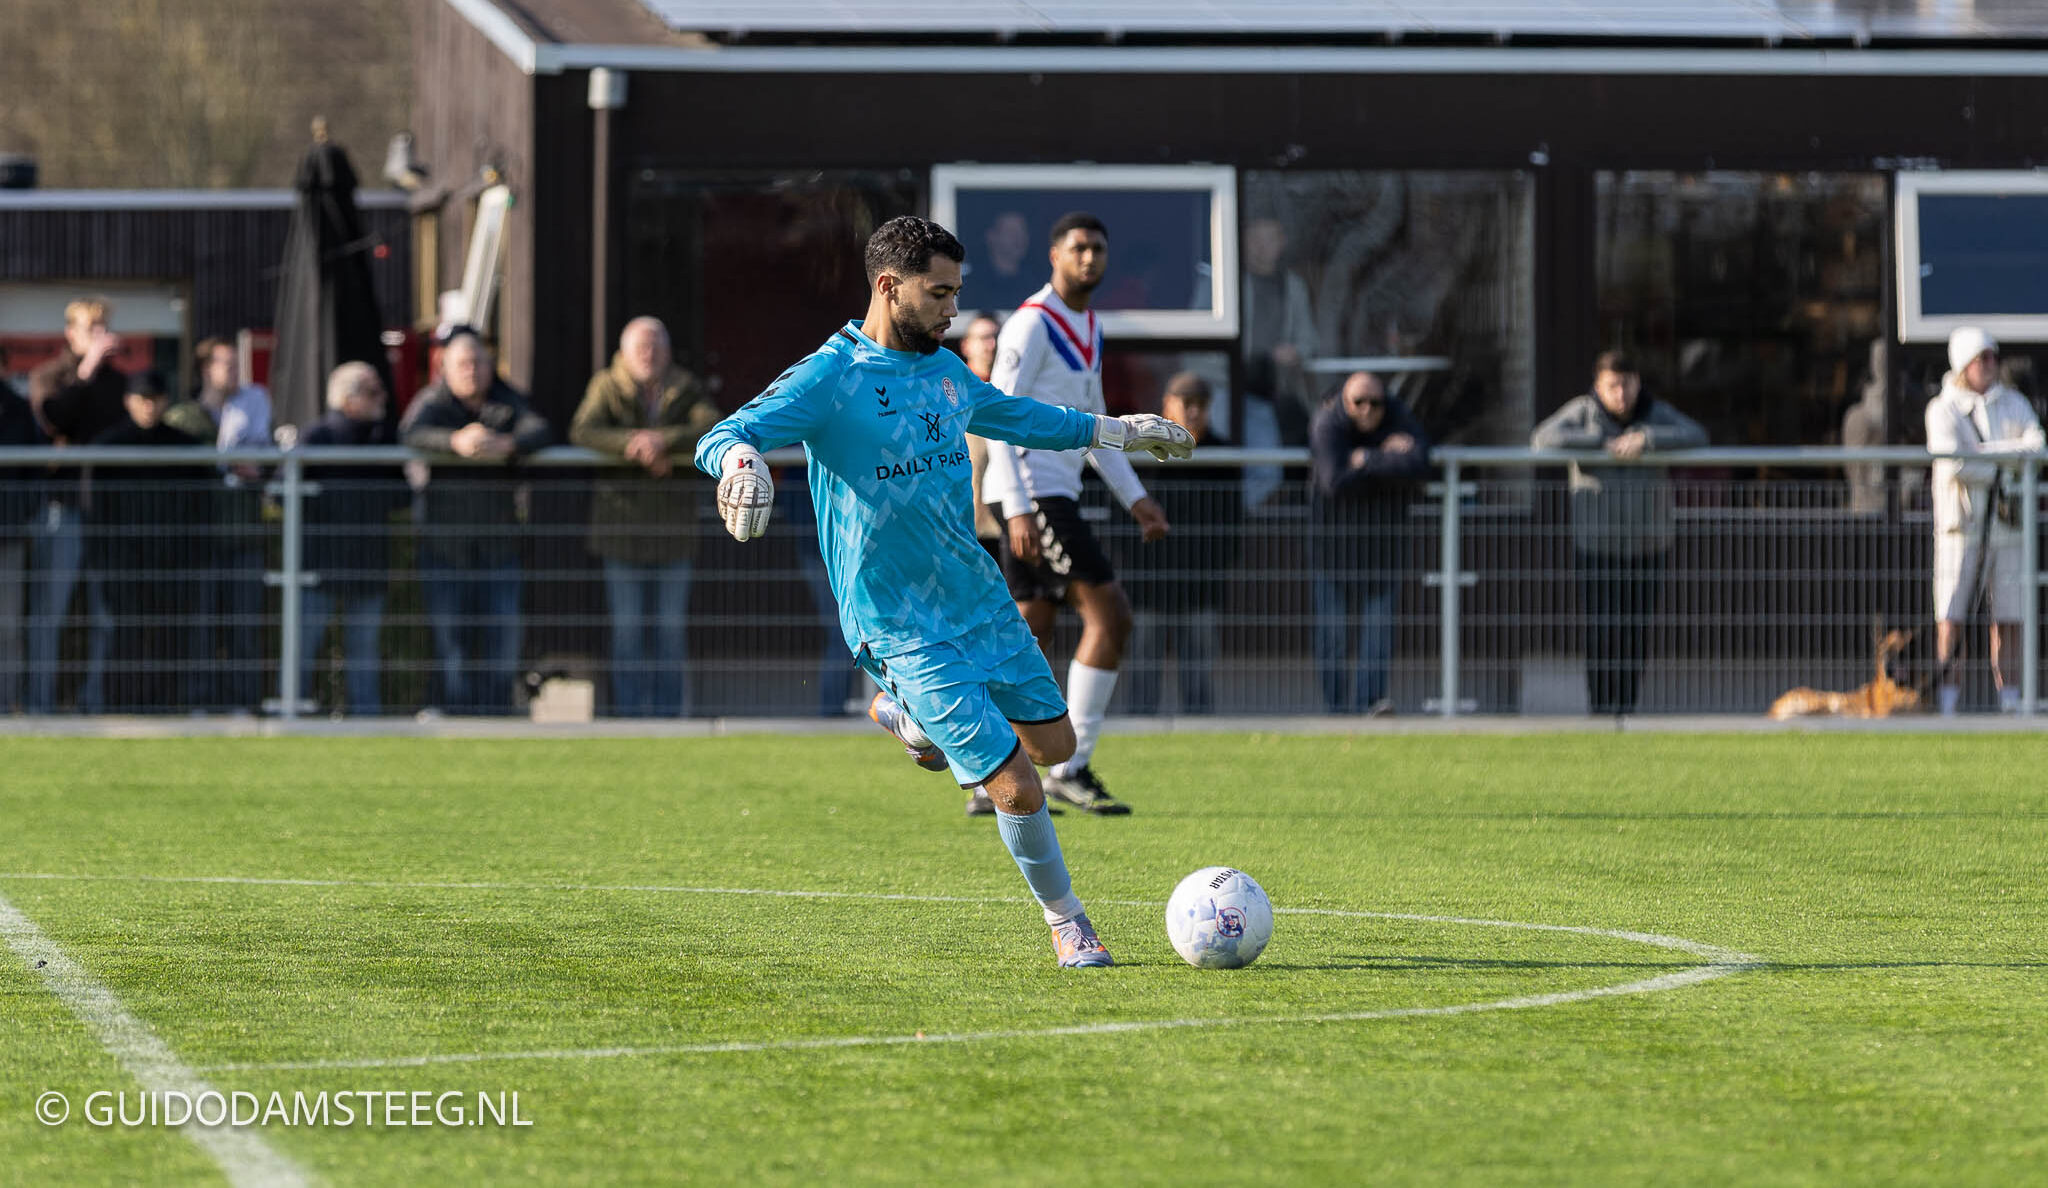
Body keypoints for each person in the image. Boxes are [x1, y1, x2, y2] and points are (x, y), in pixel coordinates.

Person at [693, 215, 1193, 967]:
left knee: (1056, 747)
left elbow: (1021, 416)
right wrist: (737, 464)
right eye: (940, 293)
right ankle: (1069, 925)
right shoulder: (832, 375)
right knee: (1019, 786)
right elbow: (724, 432)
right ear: (889, 288)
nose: (953, 309)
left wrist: (1113, 431)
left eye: (956, 293)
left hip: (977, 597)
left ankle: (910, 721)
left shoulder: (946, 370)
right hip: (896, 623)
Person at [982, 212, 1169, 817]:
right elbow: (997, 415)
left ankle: (986, 777)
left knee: (1025, 635)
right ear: (1054, 255)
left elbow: (1094, 428)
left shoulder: (1087, 325)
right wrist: (1016, 508)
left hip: (1054, 495)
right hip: (1036, 495)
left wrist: (1134, 496)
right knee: (1110, 614)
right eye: (1079, 248)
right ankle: (1071, 765)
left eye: (1098, 249)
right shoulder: (1031, 324)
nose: (1090, 258)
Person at [1531, 350, 1707, 717]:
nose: (1621, 394)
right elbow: (1543, 438)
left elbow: (1696, 434)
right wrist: (1599, 444)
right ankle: (1601, 710)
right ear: (1598, 386)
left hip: (1647, 544)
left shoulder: (1654, 413)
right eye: (1612, 386)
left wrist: (1646, 439)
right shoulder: (1583, 412)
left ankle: (1626, 710)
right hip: (1596, 544)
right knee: (1600, 631)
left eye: (1627, 384)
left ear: (1637, 382)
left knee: (1635, 631)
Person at [570, 316, 721, 717]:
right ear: (624, 354)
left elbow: (712, 426)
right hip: (620, 532)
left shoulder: (686, 387)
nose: (648, 355)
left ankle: (671, 715)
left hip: (675, 531)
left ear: (667, 352)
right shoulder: (606, 385)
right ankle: (630, 715)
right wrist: (632, 445)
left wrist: (664, 443)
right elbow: (583, 431)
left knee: (670, 631)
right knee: (628, 631)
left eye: (655, 347)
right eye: (641, 348)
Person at [400, 332, 553, 714]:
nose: (472, 370)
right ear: (444, 369)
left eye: (479, 362)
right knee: (450, 638)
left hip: (498, 545)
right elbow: (411, 433)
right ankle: (453, 713)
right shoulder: (432, 402)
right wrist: (456, 442)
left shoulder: (506, 398)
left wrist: (506, 445)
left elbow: (540, 430)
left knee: (502, 637)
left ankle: (497, 714)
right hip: (444, 546)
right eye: (463, 364)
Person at [1926, 327, 2045, 716]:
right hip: (1960, 529)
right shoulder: (1942, 409)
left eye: (1994, 357)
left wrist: (1986, 453)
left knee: (2010, 617)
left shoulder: (2014, 402)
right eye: (1983, 358)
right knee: (1951, 616)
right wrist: (2008, 461)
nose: (1991, 365)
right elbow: (1954, 461)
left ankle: (2010, 701)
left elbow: (2037, 447)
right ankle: (1947, 703)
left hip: (2008, 528)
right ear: (1964, 364)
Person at [1309, 372, 1432, 715]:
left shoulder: (1399, 414)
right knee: (1331, 638)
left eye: (1375, 403)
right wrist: (1388, 461)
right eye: (1358, 403)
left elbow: (1421, 463)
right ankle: (1337, 710)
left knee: (1377, 635)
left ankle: (1370, 705)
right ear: (1344, 402)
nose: (1367, 410)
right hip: (1331, 549)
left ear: (1385, 402)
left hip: (1383, 548)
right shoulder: (1327, 422)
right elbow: (1334, 480)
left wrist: (1366, 459)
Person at [25, 297, 126, 713]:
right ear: (71, 332)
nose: (99, 335)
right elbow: (54, 419)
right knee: (51, 612)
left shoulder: (119, 385)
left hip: (107, 514)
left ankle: (94, 702)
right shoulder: (49, 376)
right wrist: (84, 373)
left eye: (103, 326)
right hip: (62, 508)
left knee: (106, 616)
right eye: (90, 327)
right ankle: (40, 706)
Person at [1125, 372, 1241, 717]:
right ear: (1167, 404)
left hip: (1200, 582)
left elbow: (1234, 521)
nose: (1193, 412)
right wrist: (1130, 564)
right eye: (1186, 403)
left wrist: (1219, 565)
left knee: (1199, 669)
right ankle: (1140, 730)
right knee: (1143, 665)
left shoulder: (1222, 455)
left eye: (1201, 405)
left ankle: (1201, 730)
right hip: (1148, 580)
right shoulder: (1144, 450)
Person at [90, 371, 207, 712]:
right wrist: (104, 556)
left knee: (170, 634)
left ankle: (167, 702)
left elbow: (200, 508)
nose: (148, 406)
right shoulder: (108, 447)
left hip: (172, 559)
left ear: (165, 401)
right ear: (128, 401)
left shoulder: (186, 448)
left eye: (154, 399)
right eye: (142, 399)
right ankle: (122, 703)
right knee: (125, 633)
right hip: (123, 560)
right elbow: (96, 509)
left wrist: (193, 554)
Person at [171, 337, 273, 712]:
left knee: (243, 625)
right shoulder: (184, 418)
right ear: (205, 370)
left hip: (243, 536)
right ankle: (196, 702)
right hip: (198, 539)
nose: (234, 371)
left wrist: (258, 471)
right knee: (198, 628)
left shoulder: (254, 410)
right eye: (225, 364)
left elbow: (274, 464)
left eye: (236, 364)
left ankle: (243, 703)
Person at [297, 362, 407, 716]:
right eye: (374, 392)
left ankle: (366, 718)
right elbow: (286, 493)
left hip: (368, 563)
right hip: (320, 564)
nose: (383, 398)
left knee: (364, 649)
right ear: (349, 398)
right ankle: (294, 708)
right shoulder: (317, 436)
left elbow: (401, 494)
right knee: (304, 646)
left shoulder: (384, 436)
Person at [1240, 216, 1322, 445]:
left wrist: (1296, 352)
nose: (1261, 247)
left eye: (1269, 239)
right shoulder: (1224, 284)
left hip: (1278, 389)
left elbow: (1310, 340)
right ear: (1243, 242)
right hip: (1229, 385)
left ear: (1281, 242)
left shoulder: (1293, 286)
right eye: (1255, 239)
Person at [0, 364, 45, 712]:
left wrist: (21, 514)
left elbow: (34, 471)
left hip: (7, 534)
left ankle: (5, 700)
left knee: (8, 625)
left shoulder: (17, 409)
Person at [957, 312, 1007, 564]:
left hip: (1005, 520)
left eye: (997, 337)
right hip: (963, 524)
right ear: (966, 344)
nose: (993, 344)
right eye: (985, 337)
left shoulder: (1010, 393)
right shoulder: (950, 393)